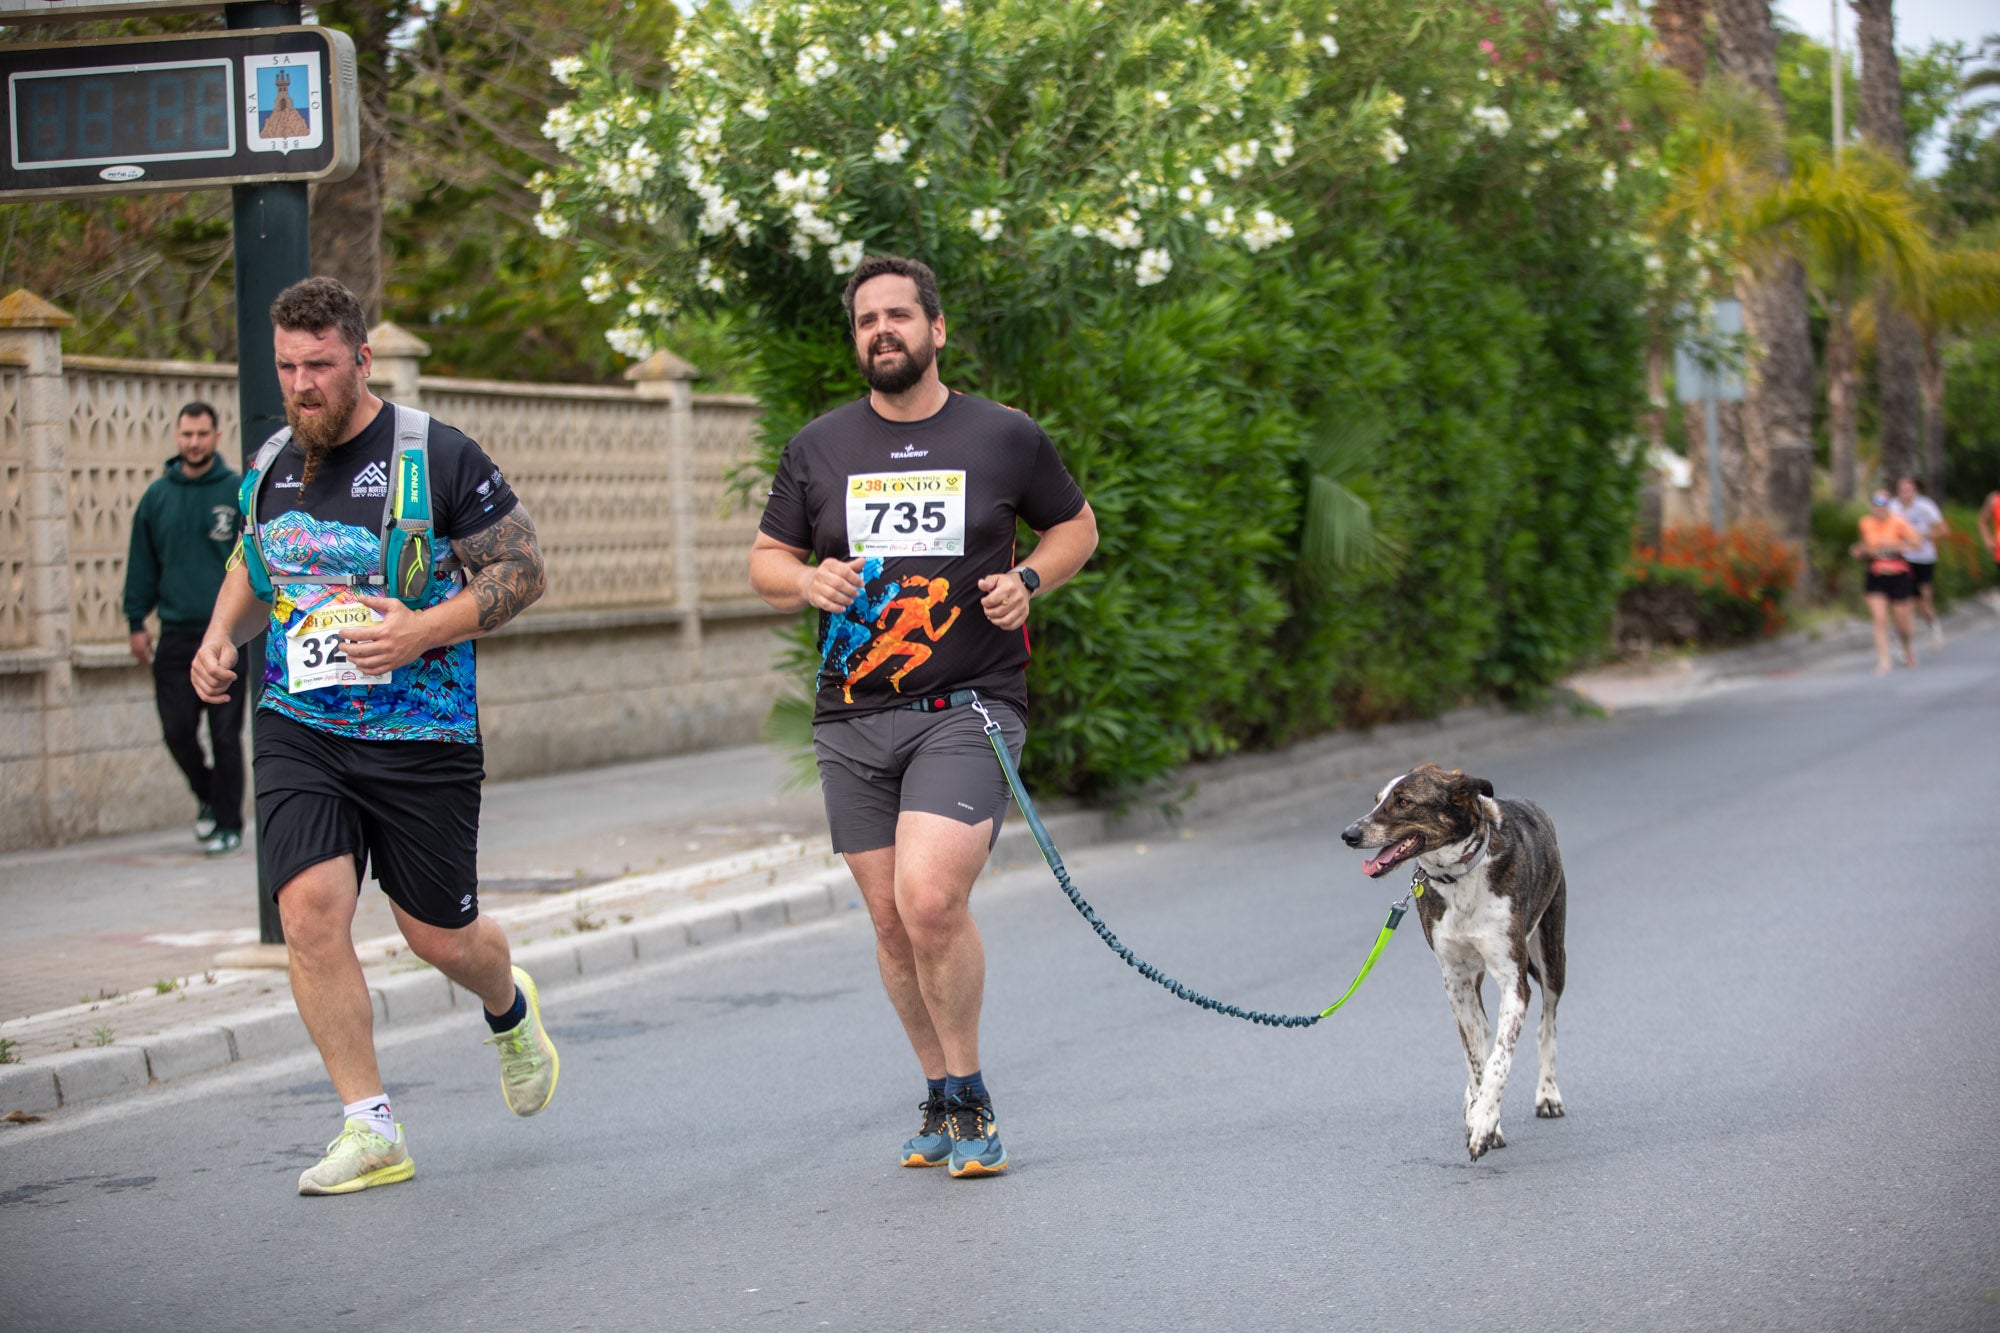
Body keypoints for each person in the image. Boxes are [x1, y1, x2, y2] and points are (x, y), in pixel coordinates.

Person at [191, 277, 558, 1196]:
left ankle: (508, 1008)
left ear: (361, 359)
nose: (302, 383)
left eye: (320, 365)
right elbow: (252, 559)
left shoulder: (433, 452)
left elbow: (522, 567)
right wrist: (215, 636)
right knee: (308, 912)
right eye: (287, 366)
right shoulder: (276, 458)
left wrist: (421, 629)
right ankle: (371, 1125)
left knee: (440, 939)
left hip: (422, 737)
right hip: (299, 724)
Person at [749, 256, 1098, 1178]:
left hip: (967, 707)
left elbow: (1077, 529)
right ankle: (939, 1090)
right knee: (891, 922)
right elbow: (765, 559)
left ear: (936, 330)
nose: (883, 331)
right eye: (867, 320)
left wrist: (1029, 580)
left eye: (899, 315)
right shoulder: (818, 447)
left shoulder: (1004, 436)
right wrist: (803, 578)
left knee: (930, 899)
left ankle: (975, 1094)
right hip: (851, 716)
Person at [123, 402, 246, 855]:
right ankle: (210, 797)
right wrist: (136, 620)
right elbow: (142, 562)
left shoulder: (235, 492)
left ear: (216, 436)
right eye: (186, 434)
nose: (193, 442)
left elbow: (250, 565)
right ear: (178, 437)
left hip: (229, 634)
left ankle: (229, 823)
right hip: (175, 634)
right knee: (176, 729)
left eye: (201, 434)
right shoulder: (157, 497)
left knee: (224, 734)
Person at [1851, 490, 1921, 676]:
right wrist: (1860, 551)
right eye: (1876, 507)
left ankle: (1906, 648)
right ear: (1872, 508)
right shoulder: (1865, 523)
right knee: (1880, 619)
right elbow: (1864, 547)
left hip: (1899, 574)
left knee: (1901, 623)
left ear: (1888, 507)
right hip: (1876, 574)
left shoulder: (1898, 522)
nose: (1879, 511)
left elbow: (1917, 542)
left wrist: (1898, 546)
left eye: (1883, 507)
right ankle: (1884, 661)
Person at [1888, 475, 1948, 647]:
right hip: (1901, 559)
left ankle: (1933, 626)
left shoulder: (1925, 506)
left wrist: (1923, 536)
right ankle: (1905, 643)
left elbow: (1943, 530)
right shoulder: (1893, 507)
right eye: (1902, 489)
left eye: (1908, 489)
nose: (1904, 493)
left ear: (1915, 490)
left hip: (1923, 558)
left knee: (1924, 602)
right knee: (1904, 602)